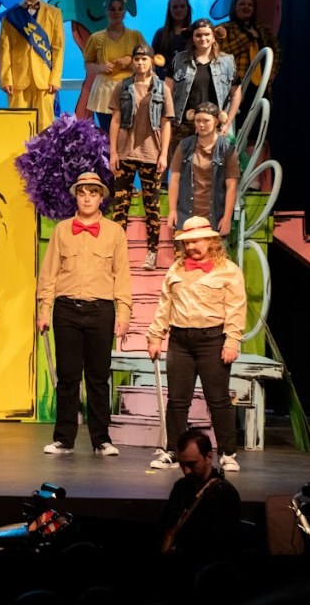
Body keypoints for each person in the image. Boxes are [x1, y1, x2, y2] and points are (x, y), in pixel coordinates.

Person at [36, 172, 132, 456]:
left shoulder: (114, 232)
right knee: (67, 377)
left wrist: (123, 314)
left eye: (93, 193)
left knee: (98, 377)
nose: (87, 198)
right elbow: (49, 274)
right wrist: (44, 310)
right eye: (82, 193)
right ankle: (64, 439)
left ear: (101, 197)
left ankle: (101, 439)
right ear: (76, 197)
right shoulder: (62, 230)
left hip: (100, 310)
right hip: (66, 309)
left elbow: (122, 275)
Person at [147, 216, 246, 472]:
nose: (192, 246)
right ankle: (173, 451)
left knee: (218, 400)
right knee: (177, 400)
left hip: (212, 340)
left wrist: (232, 341)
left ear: (211, 241)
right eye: (188, 242)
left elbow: (236, 308)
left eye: (197, 241)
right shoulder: (176, 270)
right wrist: (155, 336)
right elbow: (165, 306)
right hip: (180, 340)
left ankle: (227, 452)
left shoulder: (228, 270)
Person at [108, 44, 173, 270]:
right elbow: (115, 120)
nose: (140, 62)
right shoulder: (123, 86)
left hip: (151, 153)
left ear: (151, 61)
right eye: (137, 58)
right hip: (125, 152)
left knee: (152, 205)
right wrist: (113, 152)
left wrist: (164, 154)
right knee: (120, 205)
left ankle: (152, 252)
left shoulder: (162, 88)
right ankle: (117, 255)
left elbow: (166, 123)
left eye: (144, 59)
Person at [0, 0, 65, 130]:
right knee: (17, 127)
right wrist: (6, 78)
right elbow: (5, 50)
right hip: (17, 80)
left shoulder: (54, 13)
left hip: (45, 80)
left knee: (45, 128)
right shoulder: (10, 16)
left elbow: (58, 48)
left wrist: (55, 78)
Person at [165, 18, 240, 162]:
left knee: (211, 168)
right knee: (182, 167)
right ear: (192, 37)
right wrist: (168, 121)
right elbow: (167, 90)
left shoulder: (227, 61)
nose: (203, 38)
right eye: (198, 35)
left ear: (214, 36)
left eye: (207, 34)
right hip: (184, 124)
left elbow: (236, 94)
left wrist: (227, 123)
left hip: (214, 125)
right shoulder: (179, 59)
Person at [158, 429, 242, 556]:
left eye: (191, 464)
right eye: (182, 465)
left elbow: (221, 546)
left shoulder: (224, 494)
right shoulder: (180, 486)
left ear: (209, 457)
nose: (186, 471)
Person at [167, 103, 240, 238]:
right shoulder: (185, 145)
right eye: (198, 120)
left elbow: (232, 186)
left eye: (206, 121)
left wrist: (227, 217)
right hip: (187, 216)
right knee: (185, 251)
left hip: (213, 218)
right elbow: (174, 180)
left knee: (212, 251)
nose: (201, 125)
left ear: (216, 121)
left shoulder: (226, 148)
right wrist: (172, 210)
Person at [218, 0, 281, 132]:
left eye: (250, 5)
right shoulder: (224, 29)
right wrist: (247, 37)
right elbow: (222, 53)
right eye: (241, 4)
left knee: (258, 125)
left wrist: (271, 73)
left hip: (261, 84)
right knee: (237, 124)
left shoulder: (262, 30)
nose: (246, 7)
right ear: (234, 7)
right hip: (236, 86)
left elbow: (276, 51)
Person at [82, 0, 147, 132]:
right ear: (106, 12)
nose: (116, 12)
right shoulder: (96, 38)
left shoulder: (135, 36)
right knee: (106, 134)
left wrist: (131, 62)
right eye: (112, 9)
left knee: (129, 134)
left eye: (120, 9)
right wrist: (100, 67)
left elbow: (148, 60)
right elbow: (87, 65)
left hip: (130, 91)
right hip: (104, 93)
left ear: (125, 11)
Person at [150, 0, 192, 80]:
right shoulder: (160, 34)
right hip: (164, 80)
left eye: (182, 6)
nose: (179, 10)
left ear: (188, 8)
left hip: (188, 80)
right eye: (175, 7)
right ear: (169, 10)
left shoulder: (195, 33)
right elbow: (153, 59)